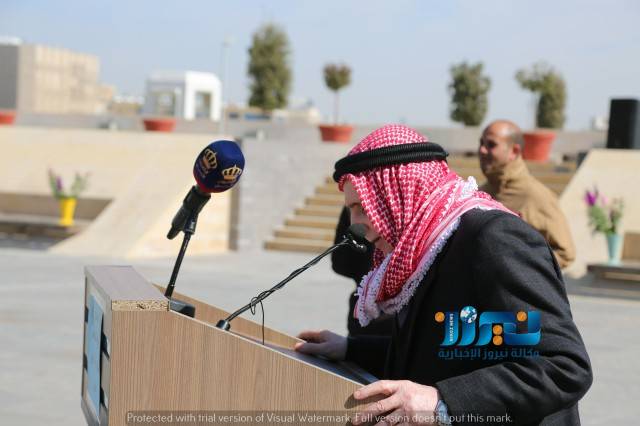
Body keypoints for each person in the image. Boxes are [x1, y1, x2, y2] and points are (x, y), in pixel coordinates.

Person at [295, 125, 592, 425]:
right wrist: (350, 349)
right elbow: (450, 348)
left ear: (402, 194)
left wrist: (442, 401)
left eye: (361, 207)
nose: (355, 224)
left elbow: (561, 365)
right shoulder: (425, 250)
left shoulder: (494, 238)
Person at [478, 120, 575, 268]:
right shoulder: (479, 194)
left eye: (491, 145)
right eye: (481, 143)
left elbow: (565, 254)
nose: (482, 150)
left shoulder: (537, 196)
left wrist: (518, 266)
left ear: (514, 151)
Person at [331, 206, 393, 337]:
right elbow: (340, 263)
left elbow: (341, 265)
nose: (355, 222)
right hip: (361, 319)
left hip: (390, 329)